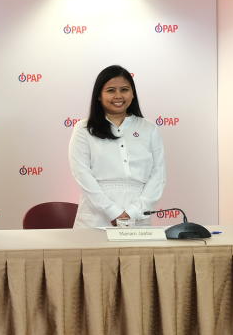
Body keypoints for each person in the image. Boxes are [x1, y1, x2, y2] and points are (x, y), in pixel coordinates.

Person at [68, 65, 165, 227]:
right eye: (111, 90)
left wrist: (133, 212)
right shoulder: (84, 129)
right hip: (96, 217)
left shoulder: (149, 129)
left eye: (124, 89)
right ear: (99, 95)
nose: (118, 96)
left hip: (138, 216)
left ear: (133, 94)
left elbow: (158, 176)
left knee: (138, 254)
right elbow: (82, 173)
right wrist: (113, 212)